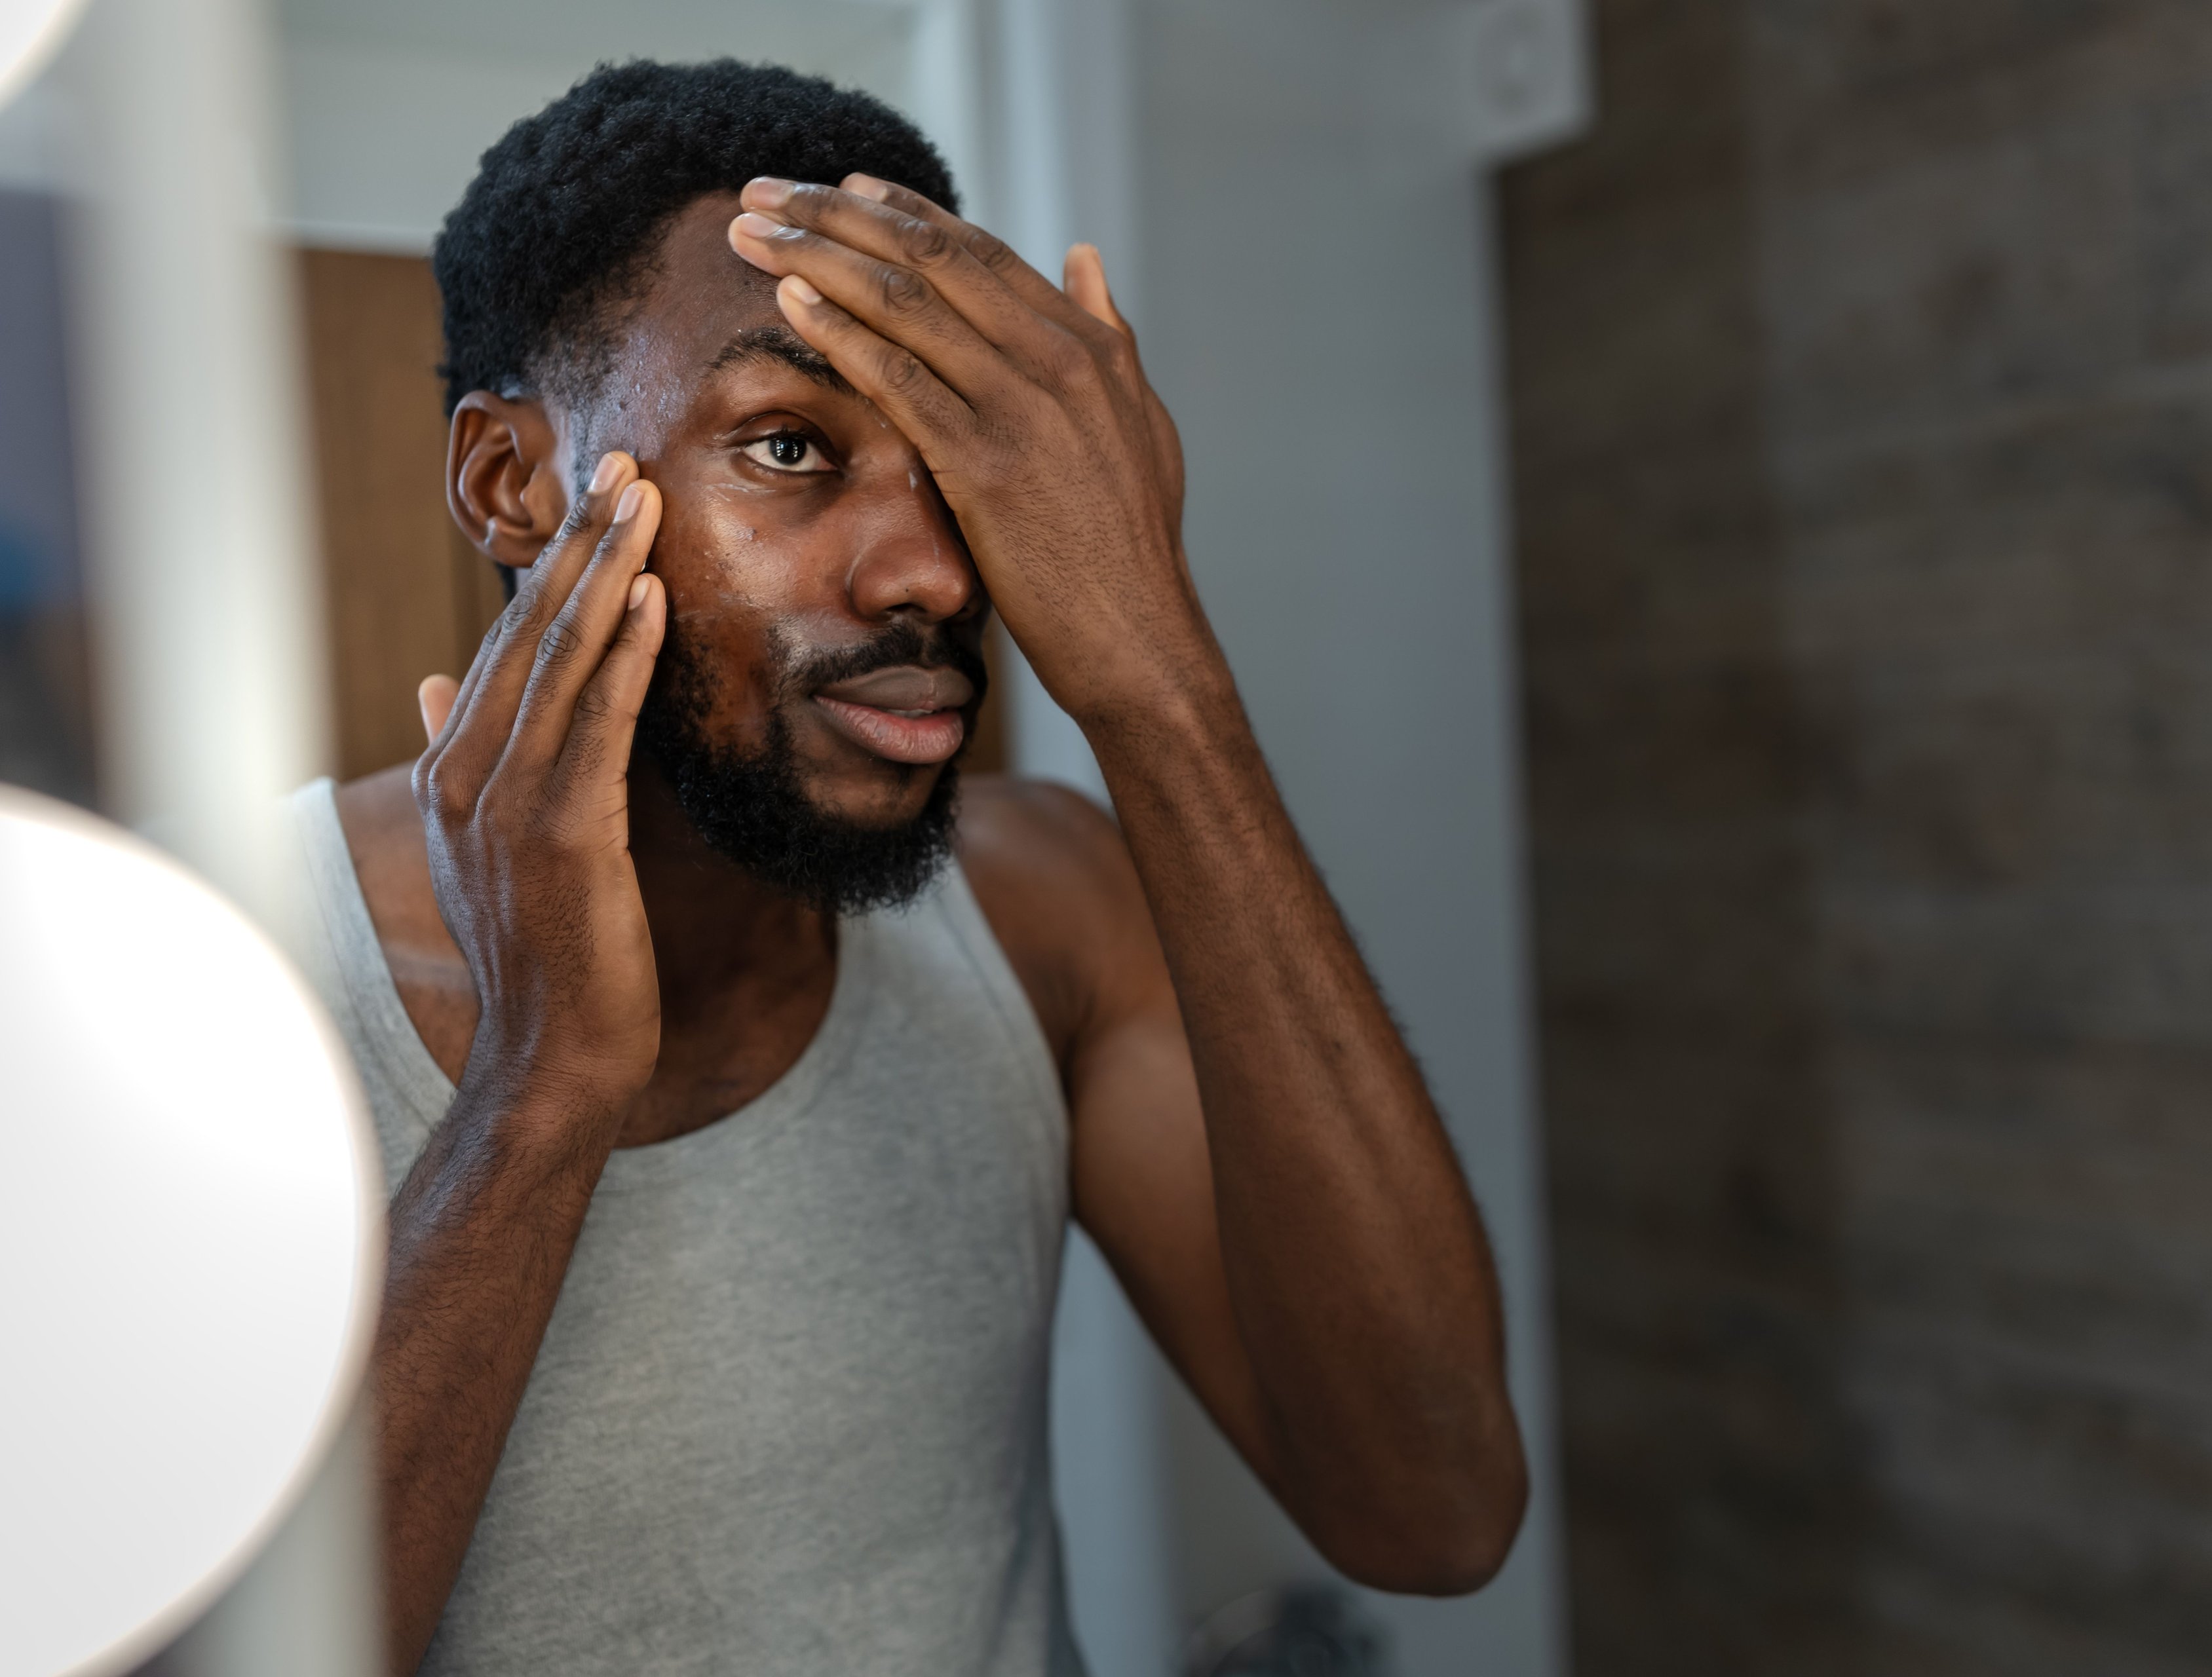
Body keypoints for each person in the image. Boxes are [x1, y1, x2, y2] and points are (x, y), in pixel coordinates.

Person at [288, 59, 1525, 1676]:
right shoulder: (188, 984)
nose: (935, 568)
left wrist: (1162, 679)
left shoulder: (1041, 919)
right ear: (513, 484)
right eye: (791, 446)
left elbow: (1430, 1509)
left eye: (959, 469)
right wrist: (541, 1089)